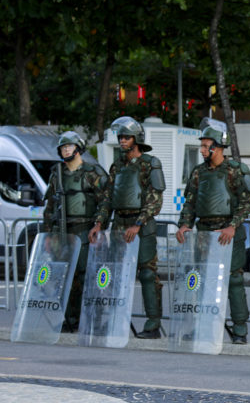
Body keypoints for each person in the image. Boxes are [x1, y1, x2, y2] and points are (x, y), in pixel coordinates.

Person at [175, 118, 250, 344]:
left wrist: (232, 226)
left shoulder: (236, 170)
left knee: (233, 281)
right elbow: (190, 203)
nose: (202, 149)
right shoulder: (198, 172)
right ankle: (203, 326)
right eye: (201, 145)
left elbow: (247, 203)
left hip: (228, 234)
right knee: (202, 282)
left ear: (218, 146)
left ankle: (240, 330)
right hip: (204, 234)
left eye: (205, 145)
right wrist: (185, 224)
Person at [89, 117, 165, 339]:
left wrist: (138, 224)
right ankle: (113, 321)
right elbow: (108, 199)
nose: (122, 140)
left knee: (148, 275)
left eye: (126, 137)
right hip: (119, 224)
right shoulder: (117, 165)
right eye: (120, 136)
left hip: (142, 227)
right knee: (114, 275)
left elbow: (154, 200)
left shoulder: (151, 163)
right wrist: (99, 223)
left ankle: (153, 325)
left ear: (137, 139)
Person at [42, 131, 108, 332]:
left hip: (85, 230)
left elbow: (105, 201)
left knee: (88, 276)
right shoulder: (57, 174)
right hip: (63, 232)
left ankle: (94, 320)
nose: (65, 150)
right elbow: (50, 206)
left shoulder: (92, 173)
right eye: (63, 147)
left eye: (69, 146)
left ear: (78, 149)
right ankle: (71, 319)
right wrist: (48, 233)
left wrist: (98, 225)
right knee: (67, 277)